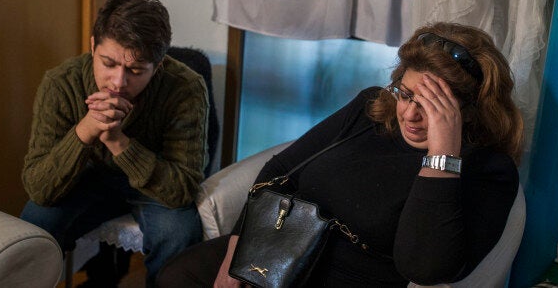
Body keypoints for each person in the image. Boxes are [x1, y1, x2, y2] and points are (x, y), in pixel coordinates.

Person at [156, 22, 524, 287]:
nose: (410, 114)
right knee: (176, 276)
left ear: (468, 110)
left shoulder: (489, 171)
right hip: (279, 245)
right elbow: (279, 170)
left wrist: (442, 154)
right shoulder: (370, 109)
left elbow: (424, 268)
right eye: (407, 94)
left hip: (347, 276)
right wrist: (237, 259)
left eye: (432, 106)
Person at [19, 0, 209, 287]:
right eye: (108, 63)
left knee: (179, 233)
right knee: (34, 226)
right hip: (87, 178)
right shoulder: (61, 83)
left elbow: (182, 188)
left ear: (158, 66)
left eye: (135, 70)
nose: (119, 82)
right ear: (93, 46)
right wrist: (85, 131)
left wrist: (117, 141)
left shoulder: (185, 88)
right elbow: (39, 188)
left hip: (153, 180)